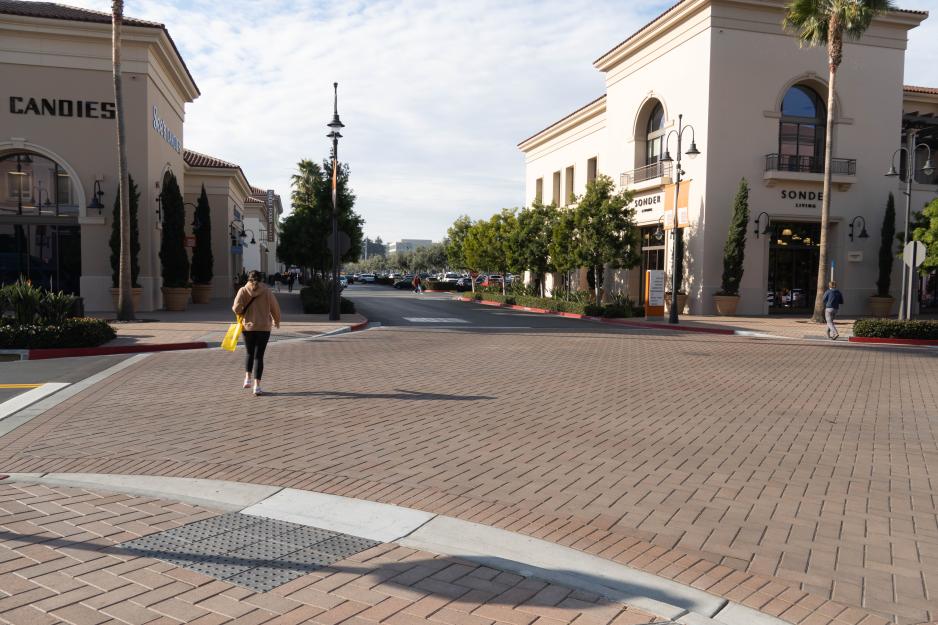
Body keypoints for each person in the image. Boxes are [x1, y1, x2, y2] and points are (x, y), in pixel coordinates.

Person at [232, 270, 282, 395]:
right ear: (261, 279)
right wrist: (277, 321)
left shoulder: (243, 290)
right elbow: (275, 307)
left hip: (248, 327)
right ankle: (257, 387)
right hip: (264, 327)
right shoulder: (266, 291)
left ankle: (247, 379)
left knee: (249, 353)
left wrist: (243, 311)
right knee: (259, 356)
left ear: (248, 279)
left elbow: (236, 308)